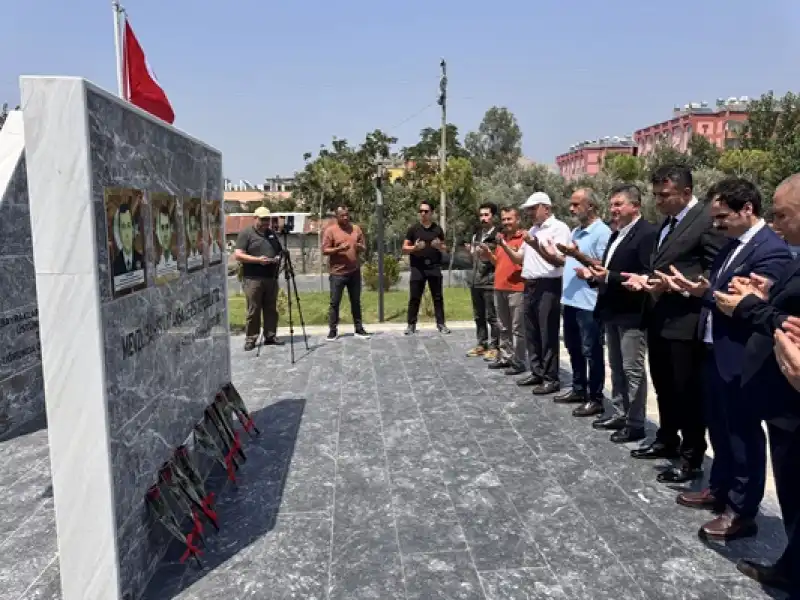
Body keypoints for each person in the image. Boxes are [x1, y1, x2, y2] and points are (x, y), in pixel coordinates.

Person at [660, 178, 791, 541]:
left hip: (741, 358)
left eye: (722, 216)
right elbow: (723, 293)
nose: (716, 224)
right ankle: (719, 488)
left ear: (747, 209)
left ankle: (741, 511)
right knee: (719, 426)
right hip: (714, 352)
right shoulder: (732, 245)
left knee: (742, 435)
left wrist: (720, 295)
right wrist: (700, 290)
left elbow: (752, 305)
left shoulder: (771, 251)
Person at [712, 173, 800, 594]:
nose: (775, 223)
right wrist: (764, 295)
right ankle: (791, 566)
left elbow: (787, 322)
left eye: (782, 215)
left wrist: (750, 306)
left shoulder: (777, 249)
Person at [622, 165, 725, 484]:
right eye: (655, 195)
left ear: (686, 192)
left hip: (686, 321)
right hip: (659, 317)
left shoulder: (705, 221)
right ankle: (667, 438)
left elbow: (716, 269)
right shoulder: (667, 223)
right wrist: (647, 280)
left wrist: (680, 285)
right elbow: (663, 265)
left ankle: (692, 457)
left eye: (664, 195)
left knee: (687, 391)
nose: (658, 202)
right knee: (664, 385)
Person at [585, 184, 657, 443]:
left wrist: (609, 276)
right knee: (616, 366)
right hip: (612, 310)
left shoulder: (647, 233)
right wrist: (595, 276)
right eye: (612, 204)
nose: (613, 209)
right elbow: (610, 270)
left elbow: (646, 274)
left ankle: (636, 422)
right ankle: (619, 412)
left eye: (618, 204)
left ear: (635, 206)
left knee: (632, 369)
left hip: (632, 312)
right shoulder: (617, 234)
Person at [549, 188, 611, 417]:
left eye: (576, 205)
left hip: (589, 302)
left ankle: (596, 398)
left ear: (590, 206)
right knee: (573, 346)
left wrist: (576, 255)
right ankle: (578, 388)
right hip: (571, 300)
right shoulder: (576, 231)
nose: (571, 209)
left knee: (591, 351)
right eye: (571, 204)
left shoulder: (602, 232)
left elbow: (603, 265)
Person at [514, 192, 571, 394]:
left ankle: (551, 377)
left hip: (548, 284)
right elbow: (521, 256)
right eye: (528, 209)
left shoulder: (559, 228)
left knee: (547, 332)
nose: (530, 212)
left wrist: (535, 244)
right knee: (532, 331)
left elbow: (559, 260)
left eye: (533, 208)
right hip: (530, 284)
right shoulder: (533, 229)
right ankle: (536, 370)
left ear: (546, 208)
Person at [482, 206, 526, 374]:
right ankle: (506, 357)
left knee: (517, 328)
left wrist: (504, 245)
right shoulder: (502, 239)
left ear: (518, 220)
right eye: (504, 219)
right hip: (499, 286)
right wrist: (489, 254)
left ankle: (519, 361)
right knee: (503, 326)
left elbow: (519, 260)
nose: (506, 222)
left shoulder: (524, 238)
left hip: (517, 288)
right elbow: (498, 263)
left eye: (509, 219)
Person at [234, 206, 284, 350]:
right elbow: (238, 255)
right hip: (253, 278)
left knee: (271, 308)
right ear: (255, 218)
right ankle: (251, 338)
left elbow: (279, 251)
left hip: (271, 277)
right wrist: (258, 260)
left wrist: (277, 258)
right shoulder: (246, 233)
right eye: (262, 220)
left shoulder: (271, 234)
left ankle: (270, 335)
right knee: (254, 309)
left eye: (267, 219)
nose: (265, 223)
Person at [322, 205, 371, 341]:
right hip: (337, 273)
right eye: (342, 215)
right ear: (336, 216)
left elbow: (364, 247)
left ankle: (359, 329)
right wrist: (338, 249)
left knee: (356, 301)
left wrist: (360, 247)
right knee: (335, 302)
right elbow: (325, 250)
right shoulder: (330, 231)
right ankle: (333, 330)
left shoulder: (356, 229)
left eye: (347, 215)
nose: (345, 217)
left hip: (354, 271)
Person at [403, 201, 451, 335]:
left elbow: (445, 247)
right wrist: (415, 248)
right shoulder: (413, 229)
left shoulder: (437, 229)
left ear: (431, 213)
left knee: (438, 297)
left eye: (426, 211)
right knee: (414, 297)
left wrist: (439, 246)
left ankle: (441, 324)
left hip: (434, 267)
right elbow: (404, 248)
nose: (423, 213)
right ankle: (411, 325)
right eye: (421, 211)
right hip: (417, 268)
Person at [466, 202, 501, 359]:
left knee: (492, 316)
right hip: (476, 281)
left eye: (486, 215)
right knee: (478, 315)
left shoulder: (498, 236)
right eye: (481, 215)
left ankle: (495, 346)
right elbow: (474, 258)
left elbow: (499, 261)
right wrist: (471, 252)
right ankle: (482, 344)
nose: (483, 218)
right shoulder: (477, 235)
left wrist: (488, 254)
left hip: (490, 281)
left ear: (493, 216)